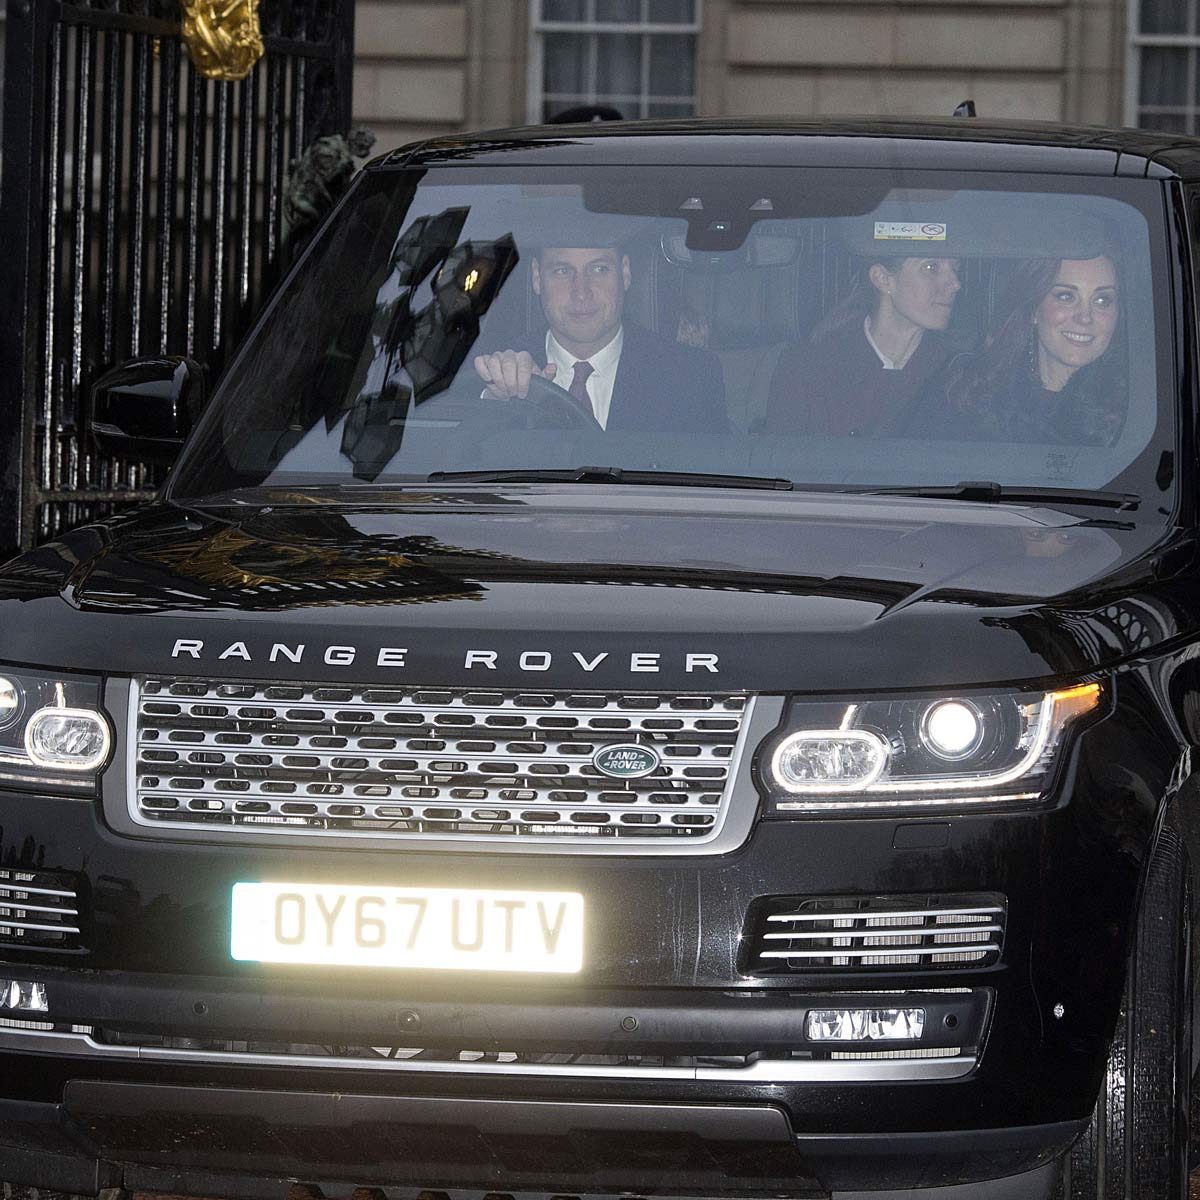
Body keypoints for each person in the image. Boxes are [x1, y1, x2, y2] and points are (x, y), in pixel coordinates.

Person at [472, 241, 727, 433]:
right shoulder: (488, 375)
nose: (581, 293)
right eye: (562, 271)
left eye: (598, 269)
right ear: (537, 278)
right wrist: (495, 402)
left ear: (625, 273)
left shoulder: (691, 377)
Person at [921, 255, 1124, 445]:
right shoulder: (968, 393)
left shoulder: (1137, 413)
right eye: (1066, 296)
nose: (1085, 317)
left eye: (1102, 300)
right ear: (1034, 308)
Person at [762, 254, 962, 436]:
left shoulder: (957, 372)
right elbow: (781, 463)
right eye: (931, 268)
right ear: (882, 279)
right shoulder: (808, 367)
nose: (955, 284)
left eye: (955, 269)